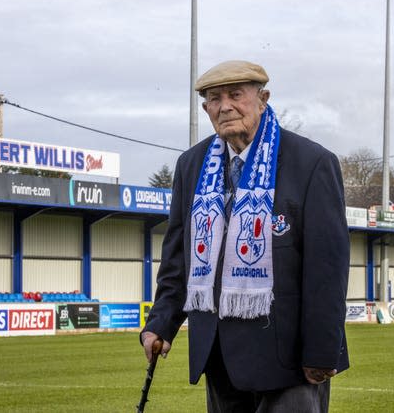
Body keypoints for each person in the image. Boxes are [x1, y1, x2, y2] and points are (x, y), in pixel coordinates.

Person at [140, 60, 350, 412]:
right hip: (219, 356)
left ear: (263, 98)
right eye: (213, 98)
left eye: (236, 95)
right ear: (206, 108)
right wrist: (161, 322)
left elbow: (326, 269)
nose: (225, 106)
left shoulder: (311, 162)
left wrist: (321, 352)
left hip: (290, 361)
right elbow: (178, 258)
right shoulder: (191, 165)